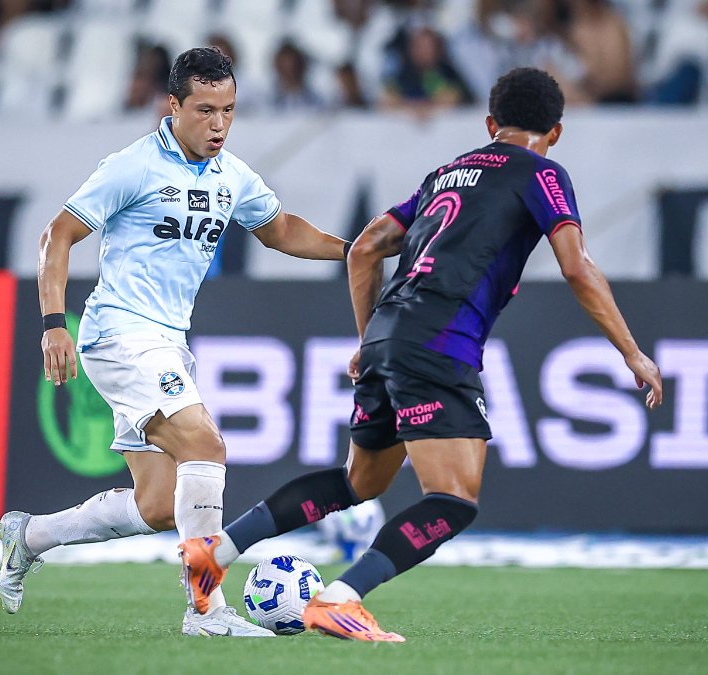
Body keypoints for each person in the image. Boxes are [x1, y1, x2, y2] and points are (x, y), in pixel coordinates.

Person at [182, 66, 663, 642]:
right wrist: (632, 352)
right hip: (440, 341)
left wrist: (368, 339)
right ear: (555, 132)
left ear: (490, 124)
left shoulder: (447, 173)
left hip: (390, 331)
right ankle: (340, 597)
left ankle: (217, 548)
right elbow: (577, 266)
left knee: (357, 483)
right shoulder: (543, 172)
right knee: (454, 499)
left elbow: (364, 248)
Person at [0, 47, 349, 638]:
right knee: (205, 445)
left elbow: (282, 230)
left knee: (157, 505)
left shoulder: (232, 175)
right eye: (205, 110)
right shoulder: (132, 166)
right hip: (120, 333)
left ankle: (28, 536)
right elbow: (58, 234)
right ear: (174, 105)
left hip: (164, 340)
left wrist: (354, 248)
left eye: (229, 111)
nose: (219, 124)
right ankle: (205, 609)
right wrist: (54, 323)